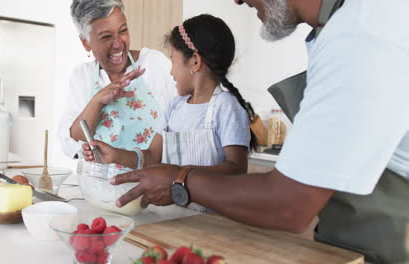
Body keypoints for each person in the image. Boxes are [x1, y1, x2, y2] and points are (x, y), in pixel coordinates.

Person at [109, 0, 409, 263]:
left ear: (195, 62)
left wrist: (179, 181)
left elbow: (291, 204)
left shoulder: (360, 33)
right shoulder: (341, 28)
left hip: (387, 245)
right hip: (351, 242)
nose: (237, 0)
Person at [83, 14, 257, 212]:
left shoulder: (226, 106)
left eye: (173, 60)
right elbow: (151, 157)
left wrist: (177, 175)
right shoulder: (175, 107)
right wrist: (115, 155)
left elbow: (236, 170)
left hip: (212, 220)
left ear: (195, 62)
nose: (171, 72)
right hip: (175, 215)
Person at [59, 0, 176, 159]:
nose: (118, 45)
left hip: (152, 181)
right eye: (106, 37)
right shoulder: (82, 76)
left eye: (123, 31)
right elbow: (73, 141)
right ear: (86, 43)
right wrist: (98, 100)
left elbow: (182, 125)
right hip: (100, 183)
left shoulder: (154, 64)